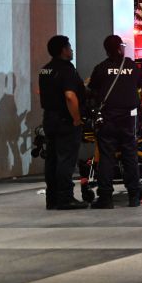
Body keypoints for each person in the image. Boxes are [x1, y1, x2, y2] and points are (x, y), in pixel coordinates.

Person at [88, 35, 142, 209]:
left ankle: (105, 198)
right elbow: (139, 86)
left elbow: (92, 90)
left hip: (108, 118)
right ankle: (134, 196)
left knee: (106, 158)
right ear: (120, 47)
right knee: (130, 157)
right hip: (127, 119)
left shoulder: (101, 68)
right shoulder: (132, 67)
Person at [38, 35, 88, 210]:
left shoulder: (45, 70)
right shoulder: (67, 69)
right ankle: (65, 198)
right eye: (69, 47)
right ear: (63, 50)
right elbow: (69, 96)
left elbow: (42, 92)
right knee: (65, 160)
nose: (71, 50)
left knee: (51, 160)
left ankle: (52, 198)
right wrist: (76, 119)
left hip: (49, 119)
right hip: (65, 120)